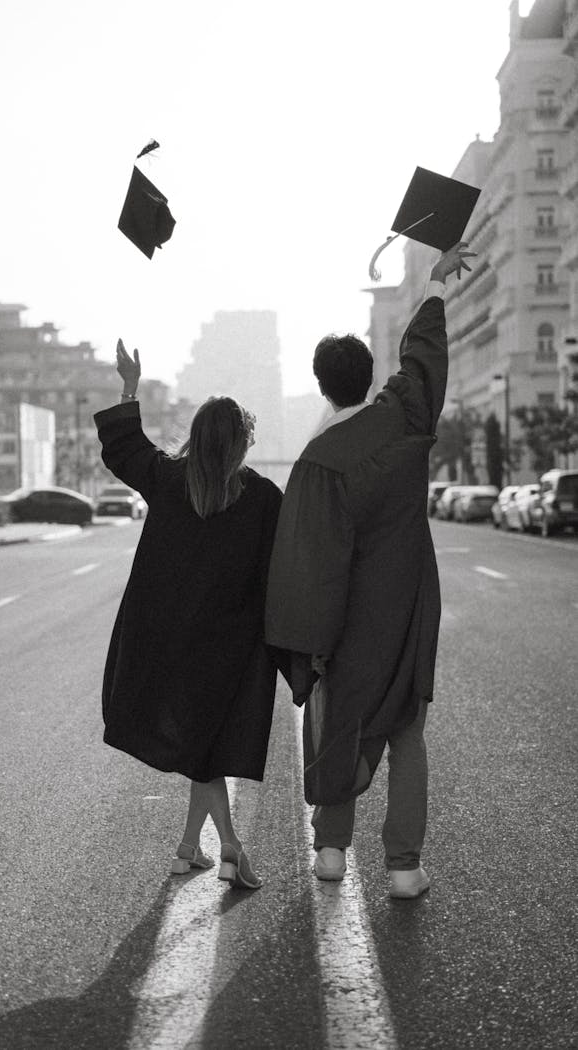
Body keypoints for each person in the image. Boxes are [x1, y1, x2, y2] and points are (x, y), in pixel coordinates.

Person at [265, 241, 476, 896]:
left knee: (344, 727)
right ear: (369, 372)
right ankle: (404, 868)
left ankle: (331, 852)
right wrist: (436, 286)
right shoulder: (405, 421)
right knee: (407, 732)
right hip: (410, 606)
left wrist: (312, 649)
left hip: (350, 621)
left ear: (323, 385)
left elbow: (311, 562)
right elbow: (422, 362)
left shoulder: (318, 460)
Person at [94, 339, 284, 890]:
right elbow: (283, 572)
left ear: (197, 438)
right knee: (208, 750)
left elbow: (124, 449)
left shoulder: (168, 481)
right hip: (228, 647)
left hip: (167, 638)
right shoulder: (264, 498)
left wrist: (130, 388)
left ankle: (188, 849)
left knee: (207, 748)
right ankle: (229, 848)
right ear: (244, 442)